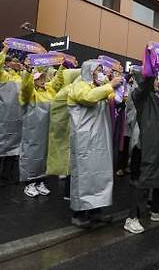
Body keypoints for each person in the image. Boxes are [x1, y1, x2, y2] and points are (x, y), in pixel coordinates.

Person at [124, 46, 159, 234]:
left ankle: (157, 210)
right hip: (151, 146)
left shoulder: (158, 96)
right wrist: (150, 61)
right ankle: (132, 217)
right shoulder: (141, 96)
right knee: (145, 181)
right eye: (155, 80)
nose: (157, 82)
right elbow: (147, 82)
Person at [68, 60, 123, 228]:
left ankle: (96, 212)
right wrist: (109, 85)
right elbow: (88, 98)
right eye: (97, 70)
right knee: (84, 175)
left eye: (101, 70)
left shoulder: (98, 85)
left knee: (99, 174)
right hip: (84, 140)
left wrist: (115, 85)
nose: (100, 72)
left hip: (99, 139)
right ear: (89, 71)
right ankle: (78, 214)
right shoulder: (79, 85)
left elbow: (116, 99)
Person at [19, 64, 66, 198]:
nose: (43, 81)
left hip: (47, 130)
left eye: (43, 78)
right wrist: (28, 72)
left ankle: (40, 181)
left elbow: (57, 81)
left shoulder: (49, 90)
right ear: (33, 80)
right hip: (32, 131)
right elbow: (25, 88)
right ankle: (29, 183)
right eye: (39, 79)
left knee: (44, 155)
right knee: (32, 155)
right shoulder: (29, 94)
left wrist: (63, 66)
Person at [0, 43, 25, 187]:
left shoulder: (20, 77)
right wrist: (5, 49)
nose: (17, 64)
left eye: (17, 62)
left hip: (16, 118)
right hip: (0, 117)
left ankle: (8, 175)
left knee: (14, 147)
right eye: (13, 61)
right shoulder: (0, 74)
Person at [45, 68, 81, 199]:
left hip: (67, 129)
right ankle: (68, 192)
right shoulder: (70, 91)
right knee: (71, 161)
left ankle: (68, 189)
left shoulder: (66, 90)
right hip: (68, 130)